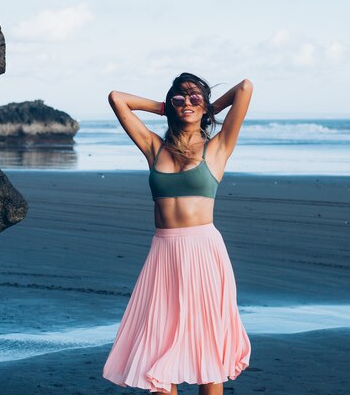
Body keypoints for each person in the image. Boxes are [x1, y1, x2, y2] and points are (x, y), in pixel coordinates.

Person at [102, 73, 253, 395]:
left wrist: (206, 106)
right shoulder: (154, 147)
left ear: (206, 106)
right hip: (164, 254)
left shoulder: (218, 147)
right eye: (179, 98)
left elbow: (244, 88)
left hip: (204, 252)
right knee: (158, 338)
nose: (187, 102)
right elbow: (118, 98)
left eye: (194, 97)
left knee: (207, 340)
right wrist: (162, 107)